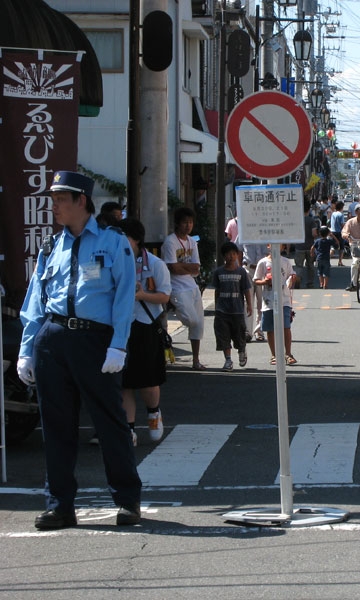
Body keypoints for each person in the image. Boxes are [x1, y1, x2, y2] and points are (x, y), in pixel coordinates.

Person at [17, 170, 142, 529]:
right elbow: (35, 301)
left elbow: (123, 297)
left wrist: (118, 345)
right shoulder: (50, 246)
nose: (54, 206)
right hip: (53, 338)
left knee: (110, 423)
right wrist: (28, 348)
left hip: (95, 341)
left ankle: (127, 500)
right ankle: (60, 504)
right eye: (53, 199)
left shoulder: (112, 241)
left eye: (60, 199)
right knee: (56, 426)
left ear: (81, 202)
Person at [118, 218, 170, 446]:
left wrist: (142, 296)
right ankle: (128, 429)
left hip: (146, 325)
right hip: (121, 325)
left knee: (148, 381)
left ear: (136, 240)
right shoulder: (113, 263)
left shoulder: (156, 264)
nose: (119, 244)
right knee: (125, 382)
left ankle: (153, 413)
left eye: (124, 239)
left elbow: (164, 297)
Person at [162, 207, 206, 370]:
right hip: (176, 286)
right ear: (177, 224)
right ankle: (173, 306)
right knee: (191, 320)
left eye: (190, 222)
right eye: (185, 222)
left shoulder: (192, 241)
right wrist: (186, 267)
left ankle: (196, 360)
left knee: (198, 324)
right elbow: (172, 268)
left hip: (191, 285)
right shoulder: (170, 242)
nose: (188, 226)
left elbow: (196, 268)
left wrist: (182, 267)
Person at [210, 241, 253, 371]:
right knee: (223, 335)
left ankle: (241, 350)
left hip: (237, 310)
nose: (231, 257)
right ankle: (228, 360)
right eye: (228, 254)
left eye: (234, 254)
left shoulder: (241, 272)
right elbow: (216, 291)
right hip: (222, 310)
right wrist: (216, 307)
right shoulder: (218, 272)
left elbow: (246, 289)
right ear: (224, 256)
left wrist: (249, 305)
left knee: (239, 334)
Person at [254, 244, 299, 366]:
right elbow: (256, 279)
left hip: (284, 299)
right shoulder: (263, 263)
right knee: (270, 328)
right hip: (268, 300)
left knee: (286, 327)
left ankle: (288, 354)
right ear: (268, 246)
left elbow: (291, 274)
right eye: (273, 243)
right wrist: (264, 281)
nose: (276, 246)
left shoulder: (285, 261)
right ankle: (274, 355)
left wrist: (293, 278)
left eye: (280, 244)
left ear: (283, 247)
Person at [294, 200, 320, 288]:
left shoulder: (297, 220)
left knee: (299, 266)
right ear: (309, 209)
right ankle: (310, 282)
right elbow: (314, 234)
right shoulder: (311, 220)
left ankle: (297, 279)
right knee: (310, 265)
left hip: (299, 246)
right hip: (310, 246)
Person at [311, 225, 339, 289]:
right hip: (326, 258)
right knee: (326, 272)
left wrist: (312, 254)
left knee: (319, 272)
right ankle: (325, 285)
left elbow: (312, 247)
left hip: (318, 258)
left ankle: (321, 283)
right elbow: (337, 243)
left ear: (319, 233)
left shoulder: (317, 241)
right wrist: (333, 236)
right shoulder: (329, 241)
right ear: (327, 234)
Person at [329, 200, 347, 266]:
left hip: (333, 232)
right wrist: (345, 229)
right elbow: (342, 224)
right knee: (341, 247)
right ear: (341, 207)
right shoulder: (340, 214)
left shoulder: (333, 213)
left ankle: (327, 260)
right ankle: (340, 262)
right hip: (339, 232)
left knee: (333, 247)